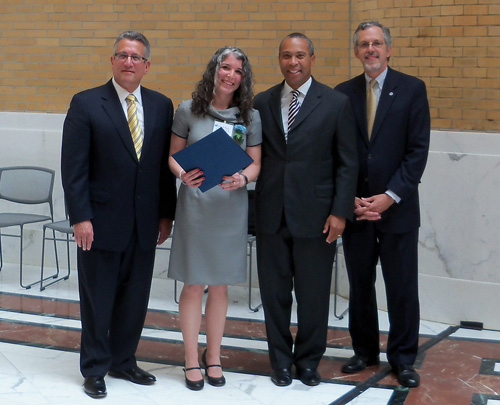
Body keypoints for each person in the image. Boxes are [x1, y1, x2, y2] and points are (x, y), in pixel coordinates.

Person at [61, 31, 177, 399]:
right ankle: (95, 367)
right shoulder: (86, 103)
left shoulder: (161, 105)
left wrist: (166, 215)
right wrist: (80, 217)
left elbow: (161, 167)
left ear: (147, 65)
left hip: (145, 223)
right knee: (98, 298)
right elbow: (73, 168)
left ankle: (124, 360)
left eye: (136, 57)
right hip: (99, 223)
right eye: (122, 55)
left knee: (135, 298)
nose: (129, 62)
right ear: (112, 61)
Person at [253, 33, 358, 387]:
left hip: (318, 217)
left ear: (312, 58)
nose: (292, 62)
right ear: (279, 60)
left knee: (314, 296)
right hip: (270, 214)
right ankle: (280, 362)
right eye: (286, 56)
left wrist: (340, 211)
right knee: (274, 295)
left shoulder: (335, 103)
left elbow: (347, 163)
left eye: (299, 55)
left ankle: (309, 361)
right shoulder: (262, 102)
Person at [335, 21, 430, 388]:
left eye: (376, 43)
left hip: (398, 209)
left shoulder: (412, 89)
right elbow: (341, 153)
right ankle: (364, 351)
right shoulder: (343, 94)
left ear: (389, 49)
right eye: (363, 44)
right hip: (357, 208)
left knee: (402, 287)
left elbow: (417, 151)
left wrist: (389, 197)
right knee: (360, 284)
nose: (370, 49)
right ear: (356, 51)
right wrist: (351, 200)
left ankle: (403, 358)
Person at [167, 46, 262, 391]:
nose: (230, 75)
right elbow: (173, 157)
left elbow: (255, 162)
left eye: (238, 70)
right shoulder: (188, 111)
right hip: (195, 203)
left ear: (243, 78)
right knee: (193, 283)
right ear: (214, 70)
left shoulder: (250, 116)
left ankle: (214, 356)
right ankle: (191, 358)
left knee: (220, 284)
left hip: (229, 206)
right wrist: (182, 174)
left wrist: (244, 179)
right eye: (225, 67)